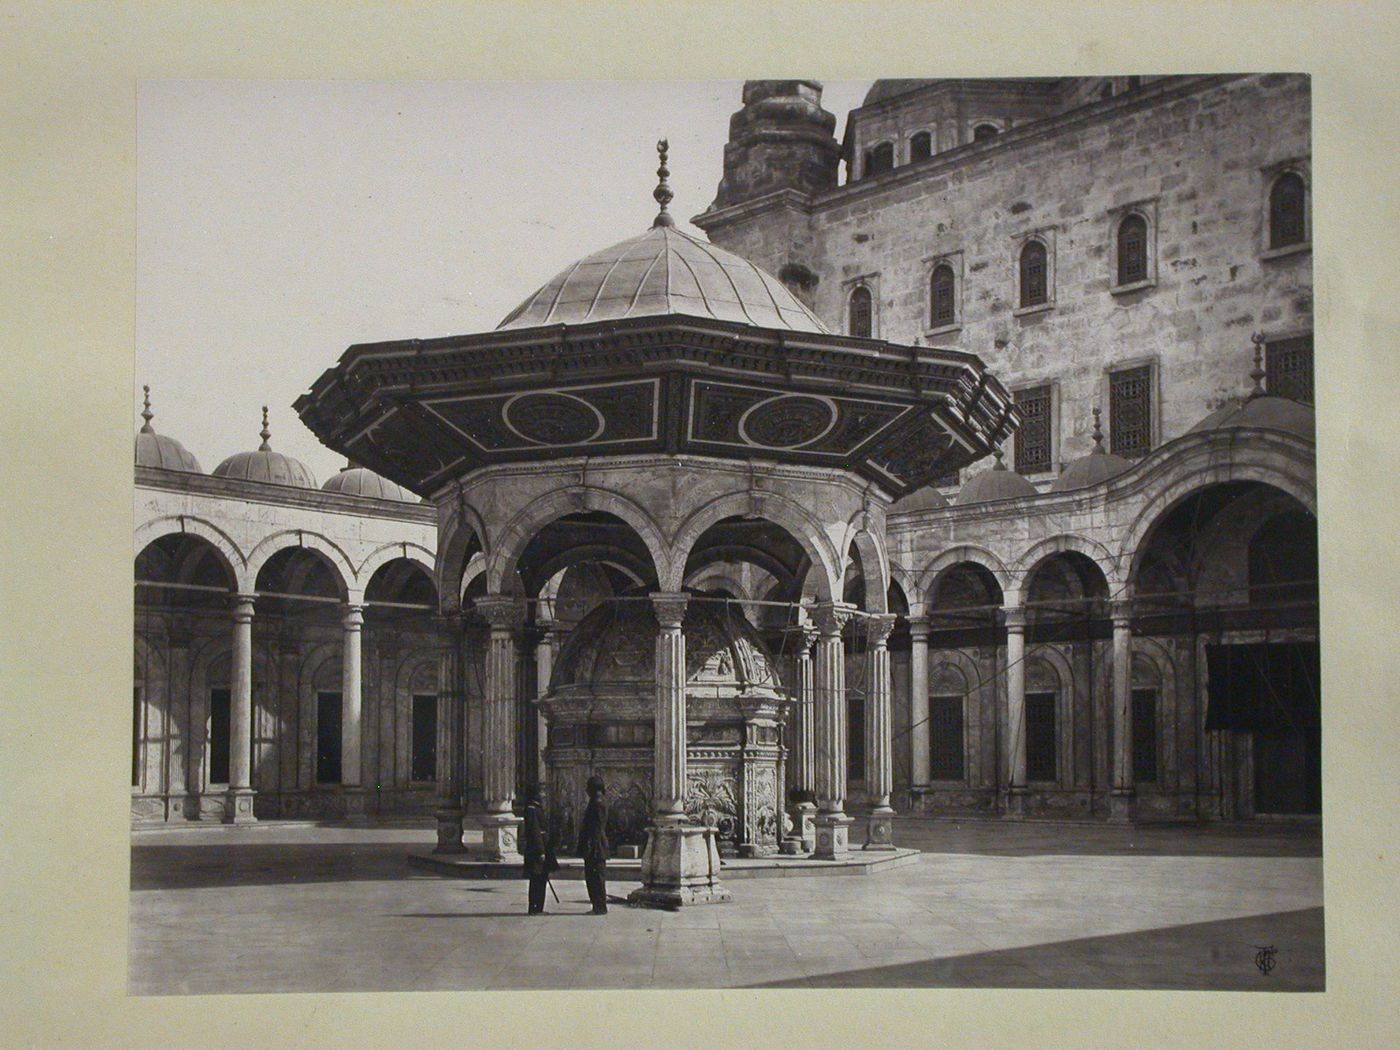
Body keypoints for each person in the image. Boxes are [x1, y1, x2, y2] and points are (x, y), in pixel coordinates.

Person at [577, 774, 610, 914]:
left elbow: (595, 827)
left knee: (595, 878)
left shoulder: (597, 802)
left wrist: (592, 847)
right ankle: (598, 905)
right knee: (595, 877)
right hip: (597, 845)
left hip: (596, 846)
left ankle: (599, 906)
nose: (586, 790)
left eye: (588, 787)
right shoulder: (598, 800)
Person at [521, 785, 555, 915]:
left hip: (541, 847)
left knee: (541, 878)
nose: (544, 795)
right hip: (536, 850)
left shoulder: (536, 807)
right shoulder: (532, 809)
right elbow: (535, 832)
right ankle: (535, 908)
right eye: (541, 792)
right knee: (537, 880)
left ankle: (538, 907)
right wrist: (541, 851)